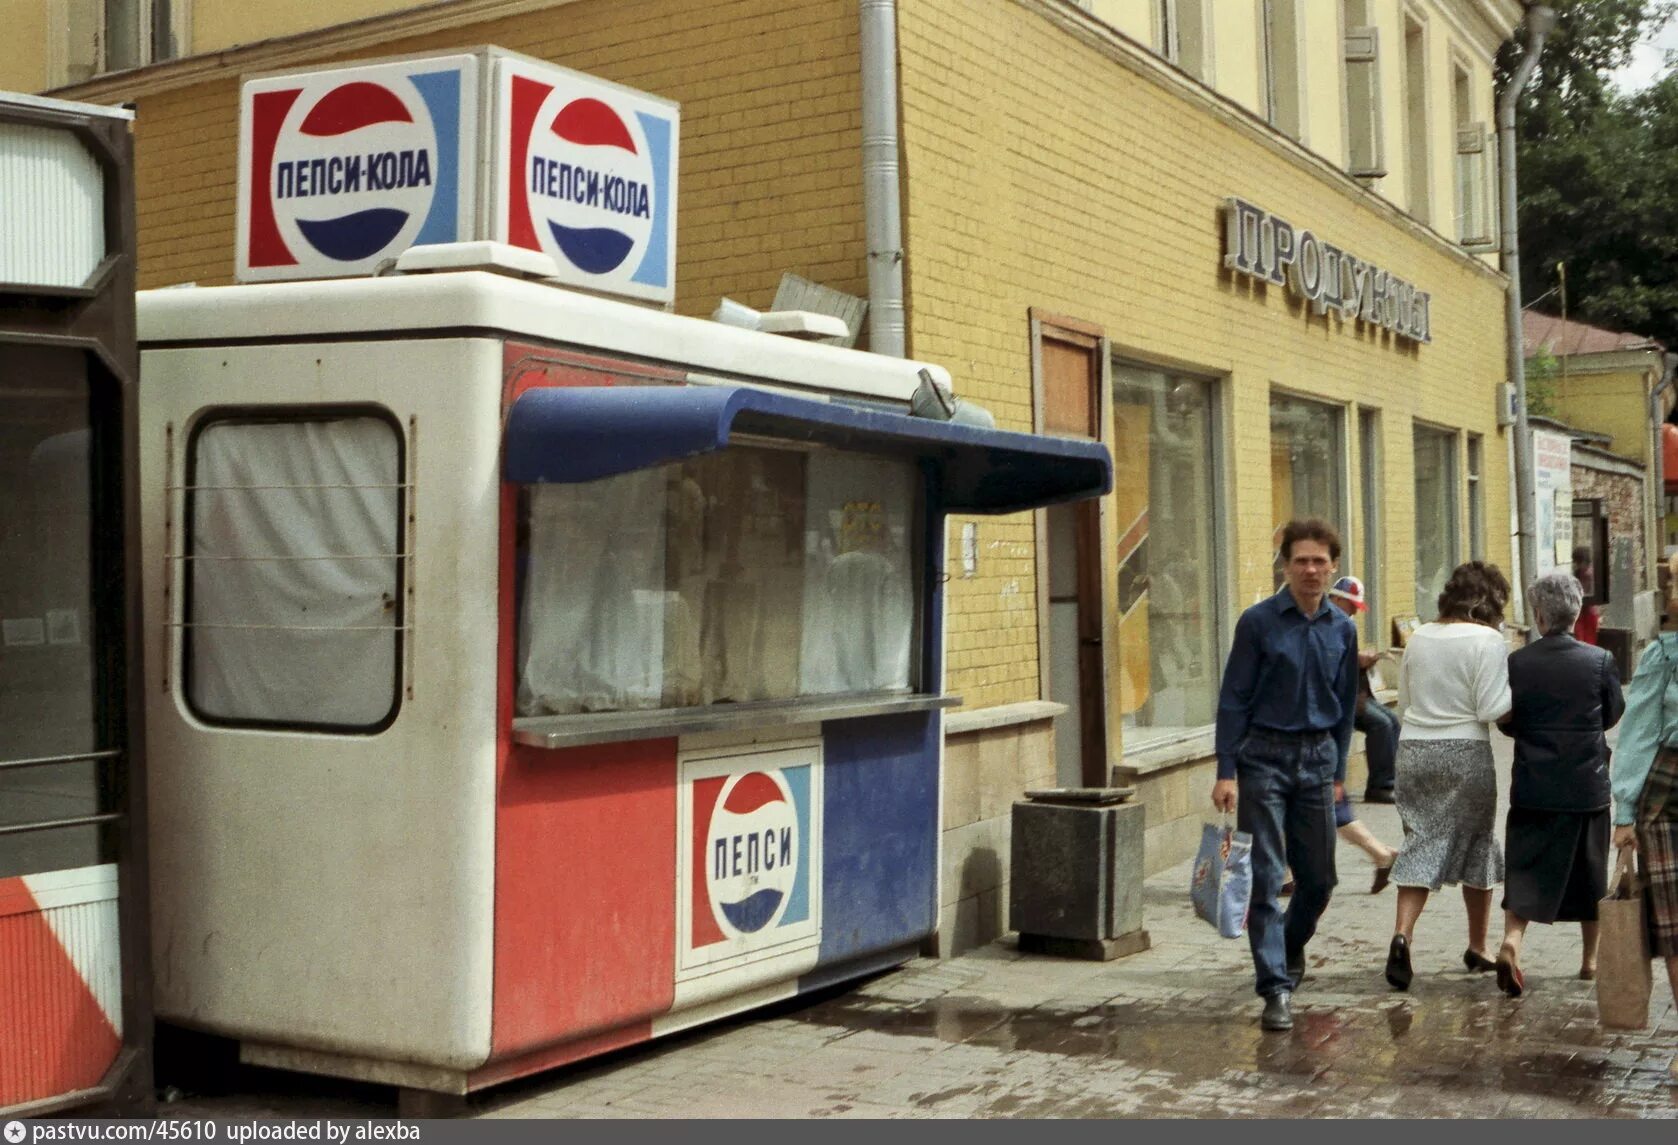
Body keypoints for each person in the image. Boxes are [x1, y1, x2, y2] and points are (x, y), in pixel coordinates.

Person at [1212, 517, 1357, 1033]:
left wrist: (1339, 770)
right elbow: (1233, 699)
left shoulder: (1343, 628)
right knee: (1268, 877)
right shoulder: (1257, 623)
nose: (1311, 570)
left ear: (1334, 567)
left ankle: (1288, 945)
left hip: (1318, 761)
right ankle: (1274, 987)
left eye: (1320, 561)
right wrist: (1226, 770)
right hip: (1264, 762)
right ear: (1286, 566)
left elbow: (1344, 710)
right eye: (1301, 561)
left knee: (1319, 881)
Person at [1384, 561, 1513, 991]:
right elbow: (1492, 708)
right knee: (1478, 843)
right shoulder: (1488, 639)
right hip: (1465, 751)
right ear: (1487, 602)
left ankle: (1402, 935)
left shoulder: (1419, 636)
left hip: (1414, 749)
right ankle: (1478, 945)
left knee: (1421, 840)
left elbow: (1403, 702)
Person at [1494, 572, 1624, 996]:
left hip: (1534, 785)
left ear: (1537, 614)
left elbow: (1508, 719)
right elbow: (1613, 713)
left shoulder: (1519, 662)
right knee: (1591, 873)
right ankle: (1589, 961)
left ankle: (1512, 942)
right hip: (1585, 786)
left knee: (1526, 868)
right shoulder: (1599, 660)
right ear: (1575, 612)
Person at [1606, 554, 1678, 1083]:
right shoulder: (1665, 655)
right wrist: (1624, 812)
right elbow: (1636, 736)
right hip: (1666, 794)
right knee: (1675, 928)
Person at [1328, 575, 1400, 803]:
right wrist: (1356, 660)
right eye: (1352, 605)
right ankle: (1380, 786)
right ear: (1338, 599)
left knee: (1392, 720)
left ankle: (1391, 780)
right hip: (1339, 696)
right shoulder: (1328, 620)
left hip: (1356, 692)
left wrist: (1359, 660)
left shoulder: (1342, 621)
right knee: (1382, 724)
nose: (1355, 612)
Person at [1572, 546, 1602, 646]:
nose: (1577, 565)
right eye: (1575, 562)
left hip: (1589, 611)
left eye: (1578, 562)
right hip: (1580, 611)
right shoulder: (1577, 574)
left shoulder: (1590, 575)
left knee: (1589, 641)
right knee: (1579, 639)